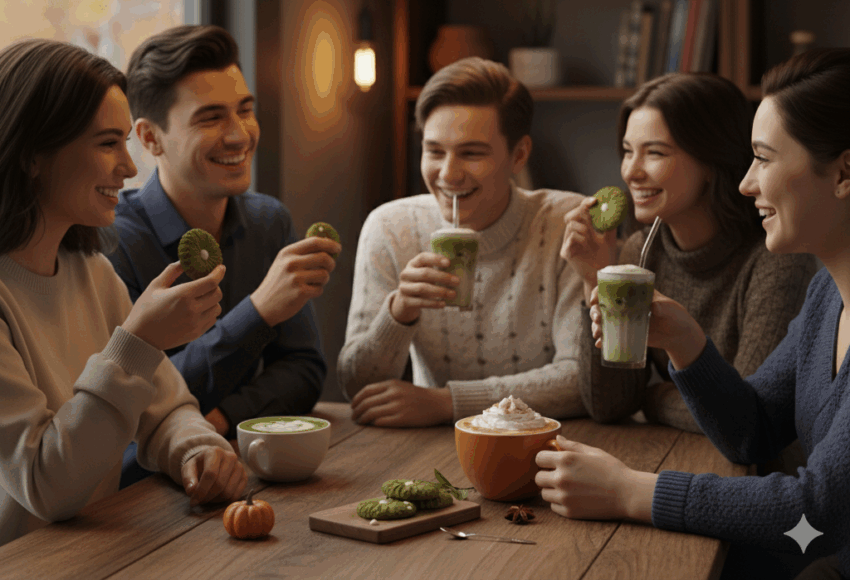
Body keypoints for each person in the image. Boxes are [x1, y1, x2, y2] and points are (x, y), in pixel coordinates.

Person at [536, 50, 850, 578]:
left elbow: (811, 510)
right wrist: (686, 342)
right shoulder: (828, 295)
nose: (747, 182)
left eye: (765, 159)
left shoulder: (796, 279)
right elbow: (753, 431)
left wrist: (628, 490)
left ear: (844, 172)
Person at [0, 39, 246, 547]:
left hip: (97, 554)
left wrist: (196, 449)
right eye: (107, 143)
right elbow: (47, 487)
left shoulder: (93, 273)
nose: (130, 168)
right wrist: (137, 342)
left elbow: (166, 411)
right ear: (32, 156)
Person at [107, 25, 334, 486]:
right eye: (210, 118)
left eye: (245, 110)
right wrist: (258, 313)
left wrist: (213, 423)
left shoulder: (269, 222)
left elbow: (305, 371)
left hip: (231, 469)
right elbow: (133, 401)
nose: (239, 136)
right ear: (150, 139)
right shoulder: (111, 242)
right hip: (135, 497)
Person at [562, 72, 816, 449]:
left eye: (655, 152)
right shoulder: (639, 254)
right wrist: (594, 278)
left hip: (752, 478)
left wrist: (654, 397)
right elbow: (609, 406)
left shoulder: (774, 261)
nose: (631, 171)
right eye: (628, 150)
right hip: (674, 453)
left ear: (712, 159)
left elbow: (744, 416)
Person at [337, 57, 587, 427]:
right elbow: (358, 387)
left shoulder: (565, 222)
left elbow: (579, 380)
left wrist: (447, 403)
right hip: (430, 447)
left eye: (471, 153)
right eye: (435, 151)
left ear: (518, 155)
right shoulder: (390, 228)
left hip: (547, 443)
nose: (449, 174)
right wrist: (399, 312)